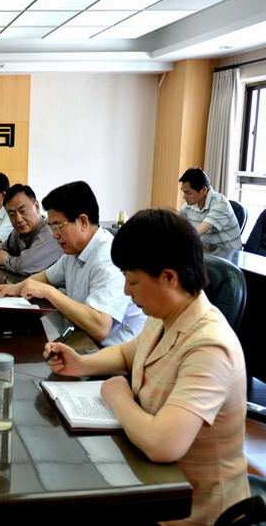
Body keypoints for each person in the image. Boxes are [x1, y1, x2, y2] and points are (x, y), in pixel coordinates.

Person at [43, 209, 248, 525]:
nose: (127, 291)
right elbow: (129, 354)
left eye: (133, 281)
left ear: (169, 277)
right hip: (147, 479)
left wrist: (117, 395)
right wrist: (81, 363)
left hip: (190, 510)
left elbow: (162, 444)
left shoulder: (210, 345)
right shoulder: (166, 314)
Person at [0, 181, 145, 346]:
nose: (54, 235)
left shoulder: (108, 259)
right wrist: (14, 288)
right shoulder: (74, 251)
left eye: (57, 226)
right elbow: (46, 277)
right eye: (51, 227)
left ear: (82, 221)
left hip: (110, 352)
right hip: (81, 338)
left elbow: (100, 327)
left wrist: (49, 292)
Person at [0, 183, 63, 276]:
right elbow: (4, 248)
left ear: (36, 206)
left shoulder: (51, 232)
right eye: (12, 214)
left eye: (23, 211)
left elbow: (26, 266)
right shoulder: (18, 231)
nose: (19, 219)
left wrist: (5, 260)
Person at [178, 167, 242, 250]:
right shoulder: (189, 205)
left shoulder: (220, 204)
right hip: (209, 252)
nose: (184, 197)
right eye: (184, 192)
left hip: (230, 255)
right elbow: (173, 224)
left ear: (204, 190)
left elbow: (196, 235)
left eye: (188, 193)